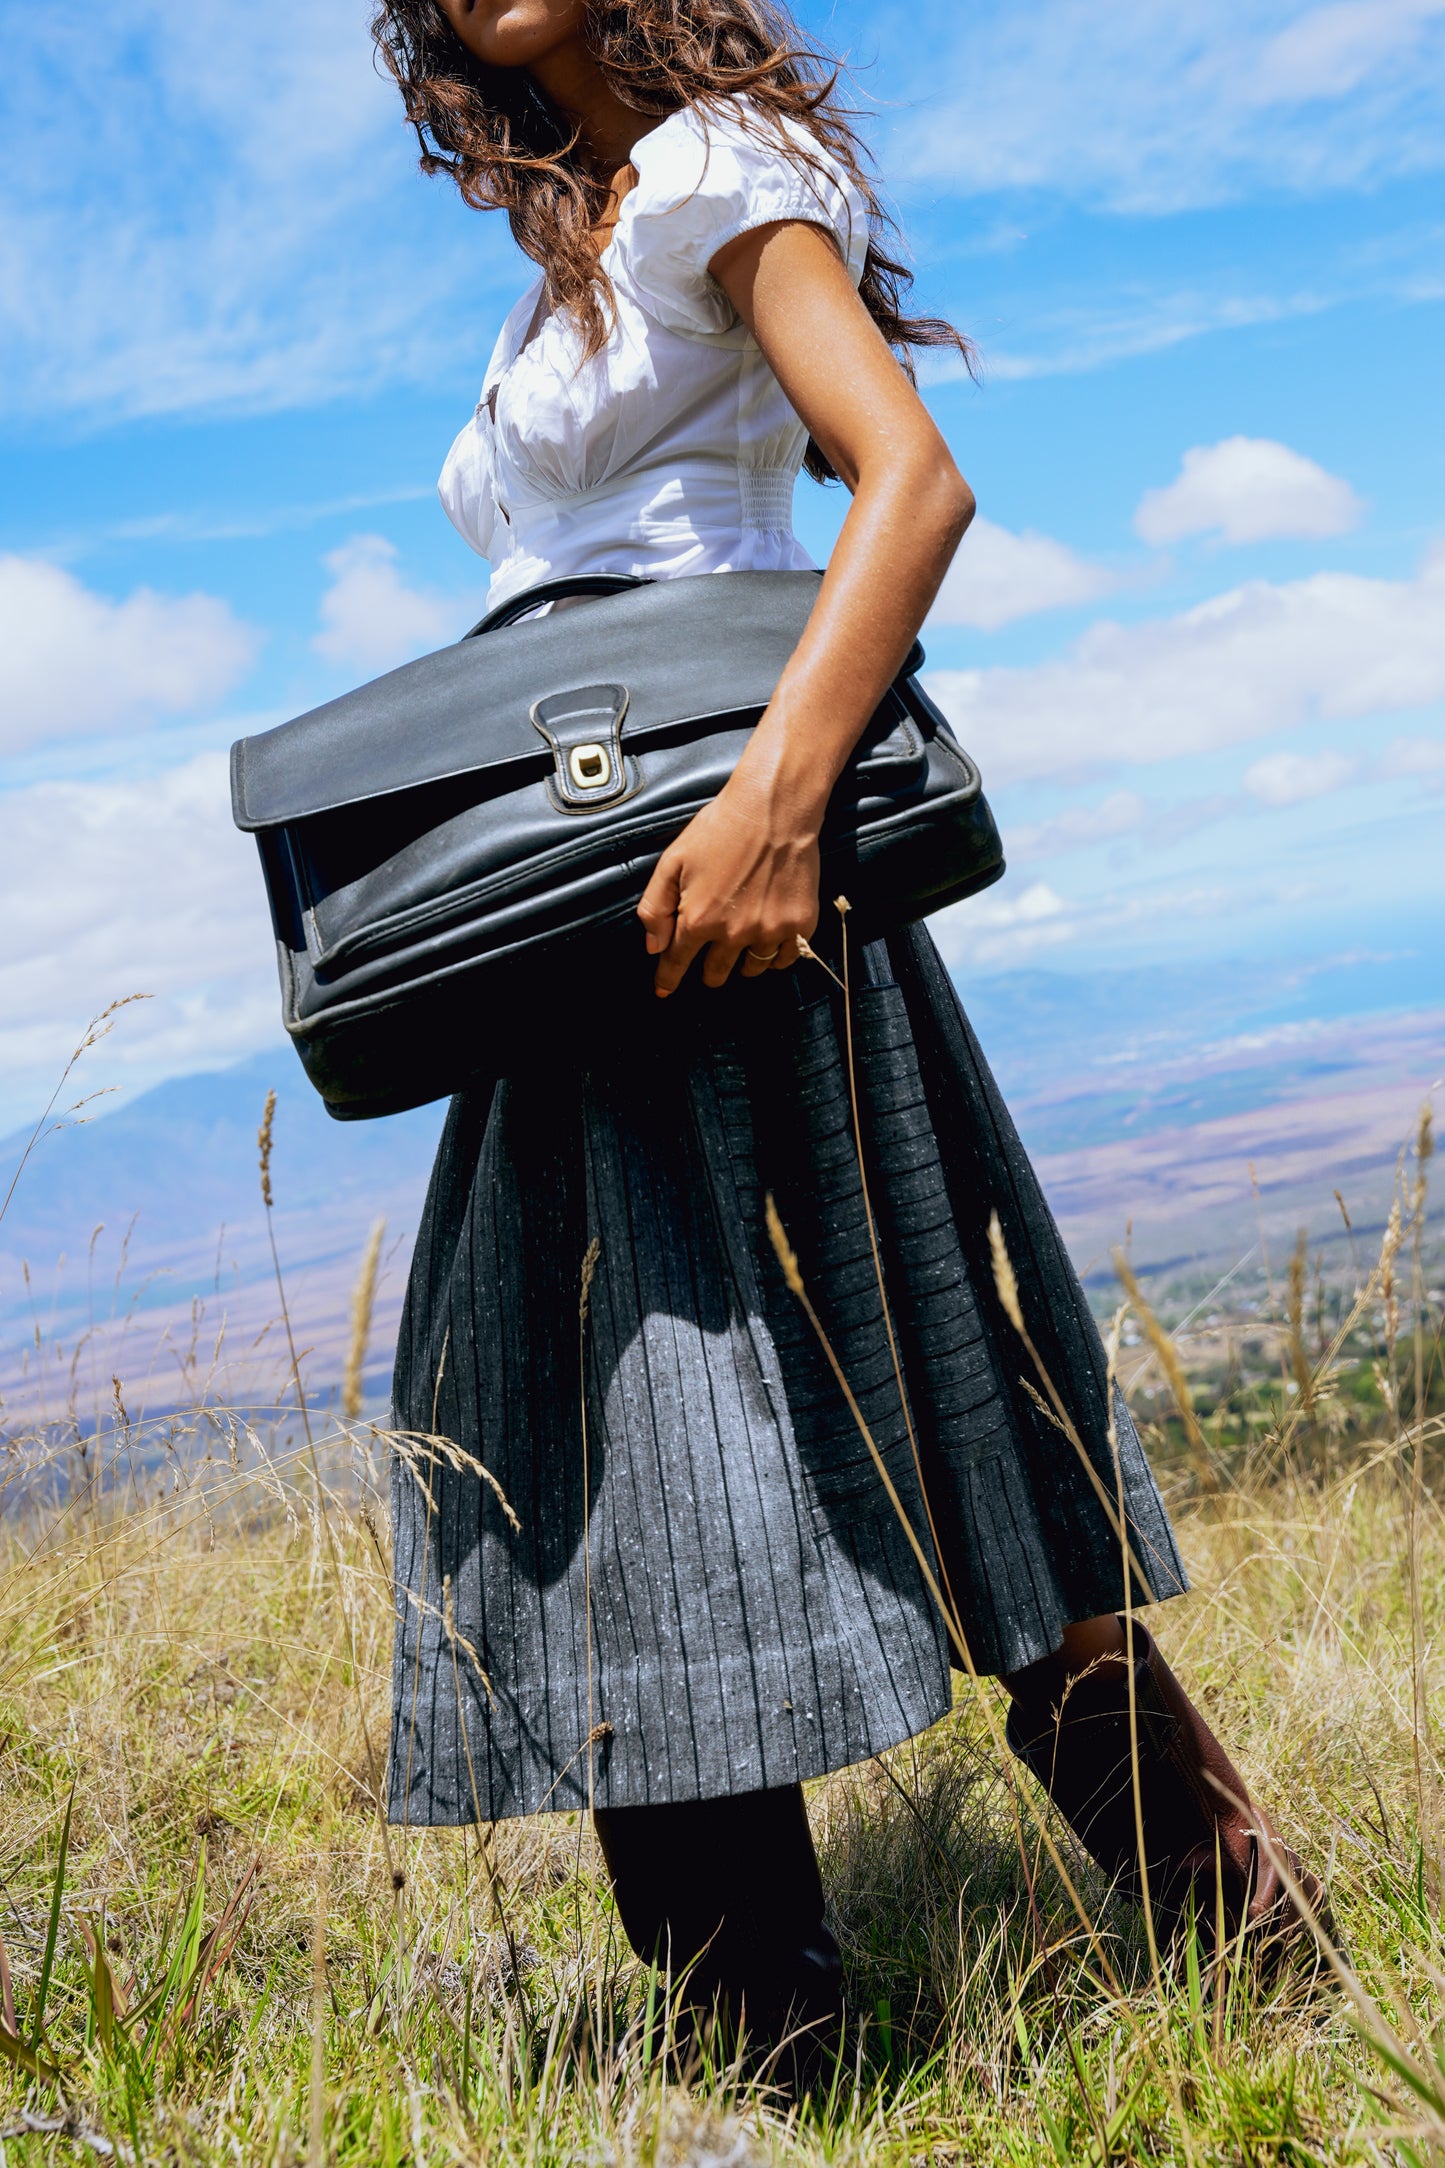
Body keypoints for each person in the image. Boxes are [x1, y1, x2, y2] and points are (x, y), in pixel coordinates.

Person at [373, 0, 1322, 2051]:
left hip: (739, 880)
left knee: (942, 1405)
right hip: (582, 933)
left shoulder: (719, 165)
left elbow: (911, 481)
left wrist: (777, 810)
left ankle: (1248, 1949)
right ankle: (765, 2050)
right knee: (623, 1463)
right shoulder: (561, 264)